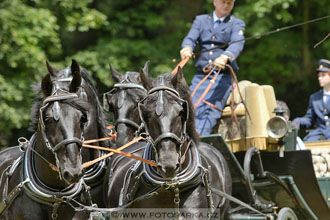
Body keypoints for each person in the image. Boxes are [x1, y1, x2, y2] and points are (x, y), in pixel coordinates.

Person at [180, 0, 245, 135]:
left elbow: (237, 44)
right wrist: (186, 48)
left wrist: (225, 56)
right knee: (191, 106)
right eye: (223, 2)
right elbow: (190, 38)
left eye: (229, 3)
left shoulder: (236, 23)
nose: (226, 6)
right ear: (215, 2)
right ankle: (184, 136)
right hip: (201, 75)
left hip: (222, 77)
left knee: (209, 108)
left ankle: (199, 138)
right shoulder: (201, 20)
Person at [293, 59, 330, 141]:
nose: (320, 78)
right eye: (319, 76)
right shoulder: (314, 97)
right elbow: (309, 119)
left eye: (323, 75)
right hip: (319, 134)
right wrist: (296, 121)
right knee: (304, 146)